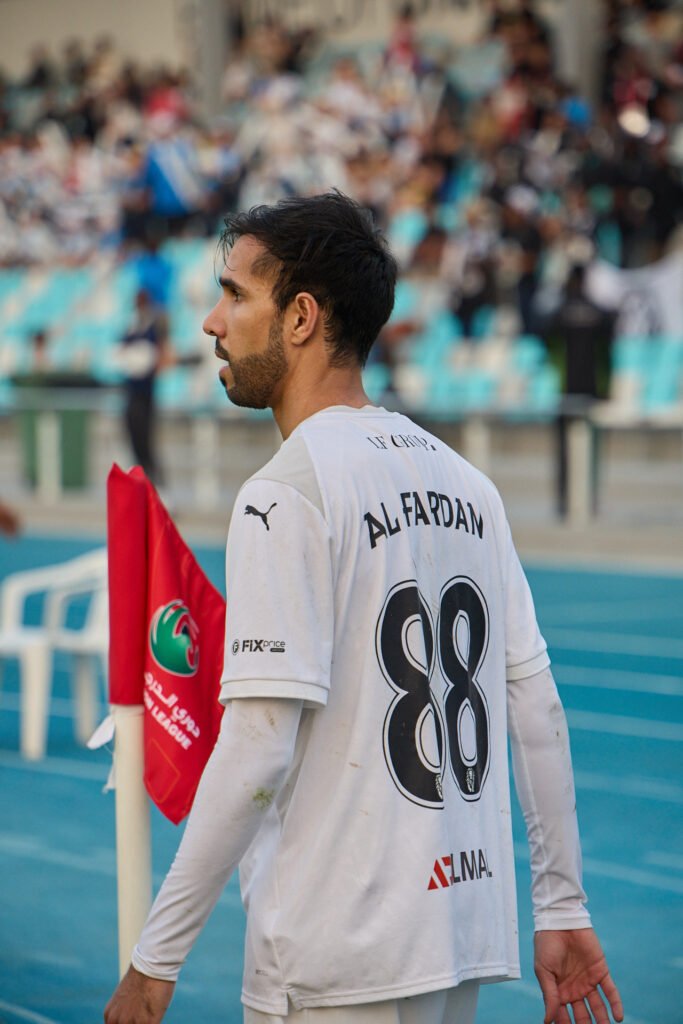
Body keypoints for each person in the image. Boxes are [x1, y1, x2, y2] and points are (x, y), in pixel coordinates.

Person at [105, 192, 623, 1024]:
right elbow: (535, 707)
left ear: (300, 317)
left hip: (334, 949)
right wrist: (560, 904)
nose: (211, 322)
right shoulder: (470, 485)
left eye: (235, 294)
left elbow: (258, 745)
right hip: (456, 937)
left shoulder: (284, 493)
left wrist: (155, 960)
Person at [117, 287, 171, 486]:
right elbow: (122, 349)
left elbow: (161, 354)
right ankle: (141, 480)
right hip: (131, 393)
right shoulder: (132, 325)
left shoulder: (153, 326)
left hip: (145, 394)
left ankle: (156, 483)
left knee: (147, 441)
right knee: (134, 439)